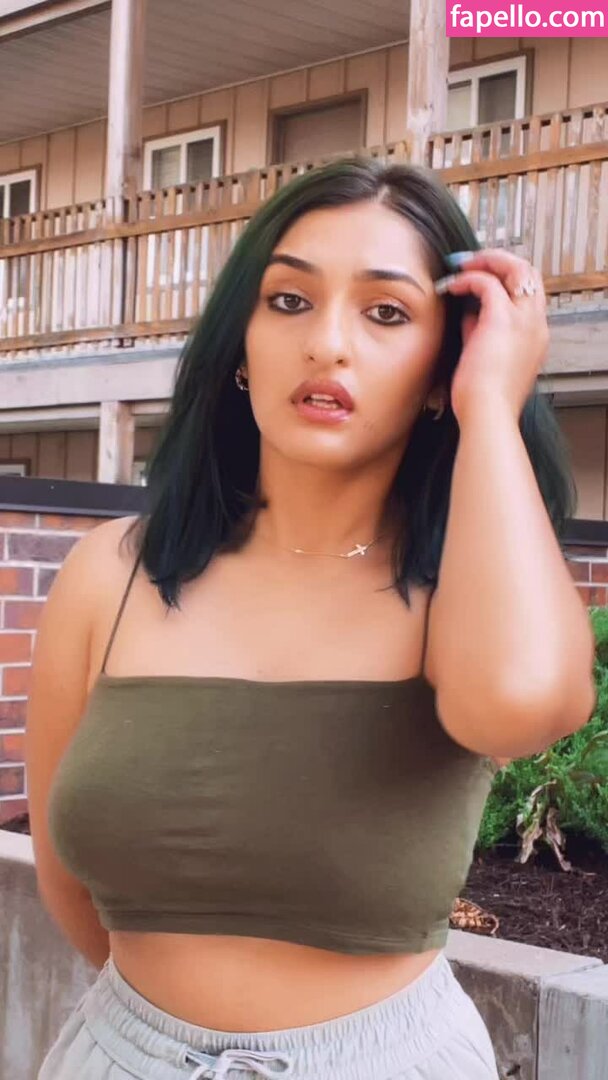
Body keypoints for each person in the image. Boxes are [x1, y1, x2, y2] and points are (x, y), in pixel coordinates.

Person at [27, 158, 596, 1080]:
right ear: (241, 346)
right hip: (118, 1051)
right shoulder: (111, 575)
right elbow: (65, 878)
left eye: (387, 313)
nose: (327, 343)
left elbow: (522, 705)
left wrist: (490, 405)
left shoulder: (461, 589)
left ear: (440, 369)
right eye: (289, 301)